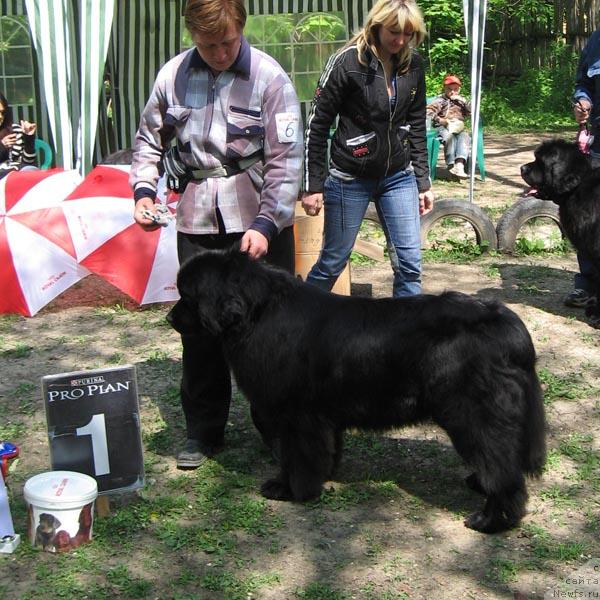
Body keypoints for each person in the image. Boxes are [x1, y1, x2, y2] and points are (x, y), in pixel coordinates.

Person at [129, 0, 303, 469]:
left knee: (272, 333)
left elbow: (287, 161)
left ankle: (280, 429)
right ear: (191, 36)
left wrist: (268, 224)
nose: (220, 52)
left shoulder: (270, 78)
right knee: (200, 331)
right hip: (196, 219)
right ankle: (204, 432)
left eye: (227, 41)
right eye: (208, 45)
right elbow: (149, 140)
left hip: (258, 218)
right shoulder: (172, 77)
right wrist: (144, 191)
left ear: (241, 28)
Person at [302, 0, 434, 298]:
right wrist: (313, 185)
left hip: (398, 176)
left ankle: (408, 336)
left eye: (408, 34)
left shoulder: (414, 65)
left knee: (410, 265)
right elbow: (317, 125)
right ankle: (297, 328)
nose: (400, 41)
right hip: (349, 178)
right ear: (376, 26)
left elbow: (416, 125)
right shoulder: (347, 62)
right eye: (394, 32)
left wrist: (423, 182)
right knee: (332, 262)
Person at [568, 27, 600, 309]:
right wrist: (583, 101)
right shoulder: (596, 40)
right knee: (589, 213)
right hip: (598, 141)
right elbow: (583, 82)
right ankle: (588, 285)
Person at [426, 74, 471, 179]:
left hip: (458, 127)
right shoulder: (440, 100)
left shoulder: (461, 101)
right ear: (445, 88)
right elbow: (428, 112)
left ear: (459, 90)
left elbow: (472, 112)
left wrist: (464, 101)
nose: (452, 92)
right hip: (442, 127)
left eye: (455, 89)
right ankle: (451, 164)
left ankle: (459, 165)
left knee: (465, 137)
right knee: (449, 137)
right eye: (449, 89)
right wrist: (440, 120)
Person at [0, 92, 37, 179]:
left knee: (31, 171)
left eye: (2, 112)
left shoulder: (15, 130)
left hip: (17, 177)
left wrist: (29, 138)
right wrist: (2, 146)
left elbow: (28, 162)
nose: (0, 116)